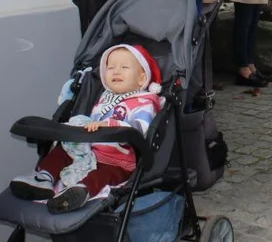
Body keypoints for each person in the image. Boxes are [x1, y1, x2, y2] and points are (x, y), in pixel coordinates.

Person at [9, 44, 163, 214]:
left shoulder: (144, 103)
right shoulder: (105, 98)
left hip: (118, 161)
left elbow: (141, 127)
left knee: (103, 176)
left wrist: (110, 125)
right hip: (90, 152)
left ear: (142, 79)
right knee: (62, 152)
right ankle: (42, 178)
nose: (116, 71)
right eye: (110, 67)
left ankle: (80, 191)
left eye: (124, 67)